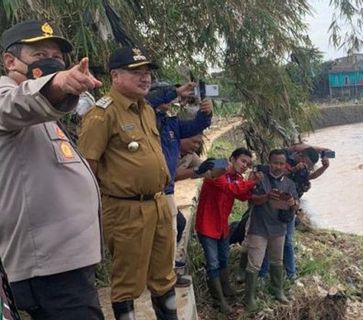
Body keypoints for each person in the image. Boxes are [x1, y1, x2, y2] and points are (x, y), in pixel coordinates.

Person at [0, 20, 104, 319]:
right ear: (10, 61)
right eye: (40, 54)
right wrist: (57, 83)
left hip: (66, 264)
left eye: (58, 57)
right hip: (49, 270)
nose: (52, 62)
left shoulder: (43, 112)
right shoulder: (10, 98)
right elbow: (19, 103)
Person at [78, 46, 177, 320]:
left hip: (158, 204)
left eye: (147, 72)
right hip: (126, 211)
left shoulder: (145, 110)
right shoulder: (102, 114)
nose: (145, 78)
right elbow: (88, 167)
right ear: (115, 76)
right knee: (127, 282)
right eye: (136, 72)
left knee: (163, 276)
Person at [146, 81, 213, 286]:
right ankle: (161, 274)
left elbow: (195, 126)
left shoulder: (170, 123)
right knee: (160, 233)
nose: (173, 99)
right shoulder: (144, 117)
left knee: (172, 230)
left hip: (165, 189)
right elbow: (147, 102)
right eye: (163, 93)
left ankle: (166, 273)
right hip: (148, 189)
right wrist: (172, 92)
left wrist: (205, 113)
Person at [195, 147, 261, 313]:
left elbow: (243, 196)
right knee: (213, 263)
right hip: (207, 225)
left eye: (248, 163)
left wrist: (252, 185)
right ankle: (219, 301)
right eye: (242, 161)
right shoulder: (218, 171)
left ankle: (227, 291)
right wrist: (253, 182)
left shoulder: (236, 177)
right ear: (232, 158)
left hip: (222, 227)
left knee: (223, 258)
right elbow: (232, 189)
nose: (245, 165)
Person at [259, 145, 331, 280]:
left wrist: (324, 167)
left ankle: (291, 273)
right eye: (307, 164)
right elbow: (276, 175)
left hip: (290, 209)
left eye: (309, 166)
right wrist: (293, 169)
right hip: (273, 208)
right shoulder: (285, 161)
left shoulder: (303, 169)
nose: (306, 167)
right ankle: (263, 274)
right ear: (301, 156)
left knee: (288, 242)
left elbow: (310, 177)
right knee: (269, 240)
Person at [244, 149, 299, 311]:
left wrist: (291, 203)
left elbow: (296, 206)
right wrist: (267, 197)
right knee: (254, 264)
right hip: (258, 227)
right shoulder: (260, 179)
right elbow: (251, 200)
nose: (278, 166)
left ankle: (277, 289)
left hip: (279, 229)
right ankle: (250, 298)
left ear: (285, 165)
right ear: (269, 163)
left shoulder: (289, 183)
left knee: (277, 261)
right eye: (275, 163)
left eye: (281, 163)